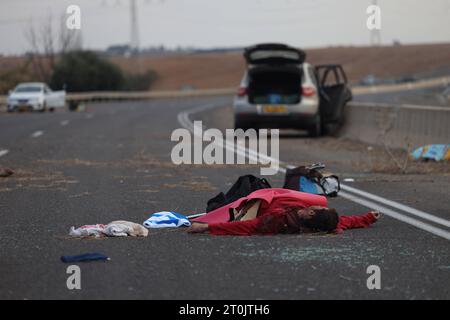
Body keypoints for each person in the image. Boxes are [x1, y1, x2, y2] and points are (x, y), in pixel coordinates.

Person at [187, 188, 382, 236]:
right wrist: (368, 218)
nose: (319, 205)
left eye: (320, 208)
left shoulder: (279, 218)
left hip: (255, 206)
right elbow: (346, 221)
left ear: (312, 214)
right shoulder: (328, 223)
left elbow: (246, 226)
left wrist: (206, 227)